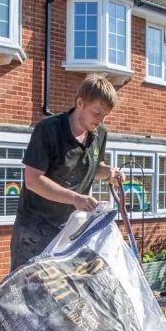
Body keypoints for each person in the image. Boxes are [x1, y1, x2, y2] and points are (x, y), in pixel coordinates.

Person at [10, 75, 122, 270]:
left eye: (105, 116)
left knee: (63, 291)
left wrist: (109, 172)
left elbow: (91, 167)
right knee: (29, 291)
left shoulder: (99, 134)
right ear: (80, 102)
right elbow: (33, 180)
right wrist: (75, 199)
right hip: (35, 231)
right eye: (96, 113)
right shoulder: (48, 129)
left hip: (72, 229)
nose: (100, 121)